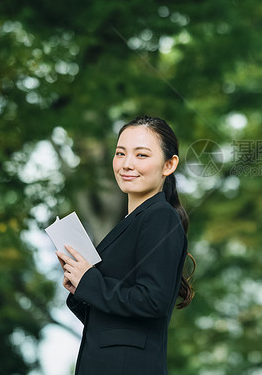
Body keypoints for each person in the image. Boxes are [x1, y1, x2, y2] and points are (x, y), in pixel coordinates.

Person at [57, 115, 195, 375]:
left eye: (141, 155)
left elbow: (153, 300)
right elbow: (114, 324)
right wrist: (80, 287)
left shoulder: (160, 217)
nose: (127, 164)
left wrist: (91, 282)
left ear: (169, 164)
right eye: (120, 153)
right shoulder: (132, 223)